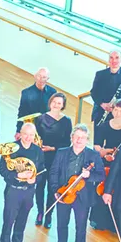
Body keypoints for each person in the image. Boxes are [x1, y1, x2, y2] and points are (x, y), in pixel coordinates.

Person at [46, 124, 103, 242]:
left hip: (82, 198)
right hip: (63, 194)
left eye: (83, 138)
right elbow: (53, 173)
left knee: (81, 227)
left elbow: (101, 175)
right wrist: (55, 191)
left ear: (87, 140)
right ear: (72, 137)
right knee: (61, 224)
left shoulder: (93, 156)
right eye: (76, 137)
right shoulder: (62, 152)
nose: (79, 140)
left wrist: (89, 175)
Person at [0, 122, 44, 242]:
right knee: (9, 220)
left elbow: (42, 170)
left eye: (31, 135)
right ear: (20, 134)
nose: (28, 137)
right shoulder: (10, 149)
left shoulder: (38, 151)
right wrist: (18, 176)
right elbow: (3, 171)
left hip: (29, 192)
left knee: (22, 219)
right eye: (25, 134)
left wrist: (35, 179)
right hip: (13, 190)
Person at [91, 99, 121, 231]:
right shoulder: (103, 126)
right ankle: (100, 221)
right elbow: (97, 146)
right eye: (116, 110)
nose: (118, 113)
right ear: (112, 110)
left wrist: (118, 155)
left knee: (119, 191)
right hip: (106, 161)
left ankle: (115, 224)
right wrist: (105, 154)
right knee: (103, 189)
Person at [35, 93, 71, 228]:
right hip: (41, 158)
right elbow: (36, 137)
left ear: (63, 106)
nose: (56, 105)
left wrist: (52, 148)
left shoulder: (66, 121)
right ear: (50, 102)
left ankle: (48, 214)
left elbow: (67, 143)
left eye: (59, 103)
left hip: (56, 158)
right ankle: (39, 212)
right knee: (39, 186)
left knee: (52, 187)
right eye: (54, 102)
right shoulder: (40, 118)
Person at [89, 49, 121, 133]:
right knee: (97, 140)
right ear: (108, 60)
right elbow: (94, 92)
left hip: (118, 113)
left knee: (114, 140)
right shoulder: (100, 74)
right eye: (111, 58)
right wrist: (102, 104)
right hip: (101, 111)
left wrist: (119, 107)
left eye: (117, 58)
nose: (114, 60)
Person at [16, 67, 55, 137]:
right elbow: (22, 112)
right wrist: (18, 130)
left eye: (44, 77)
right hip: (30, 127)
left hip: (46, 128)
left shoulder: (53, 92)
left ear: (47, 79)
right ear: (35, 76)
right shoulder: (26, 92)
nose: (41, 79)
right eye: (39, 76)